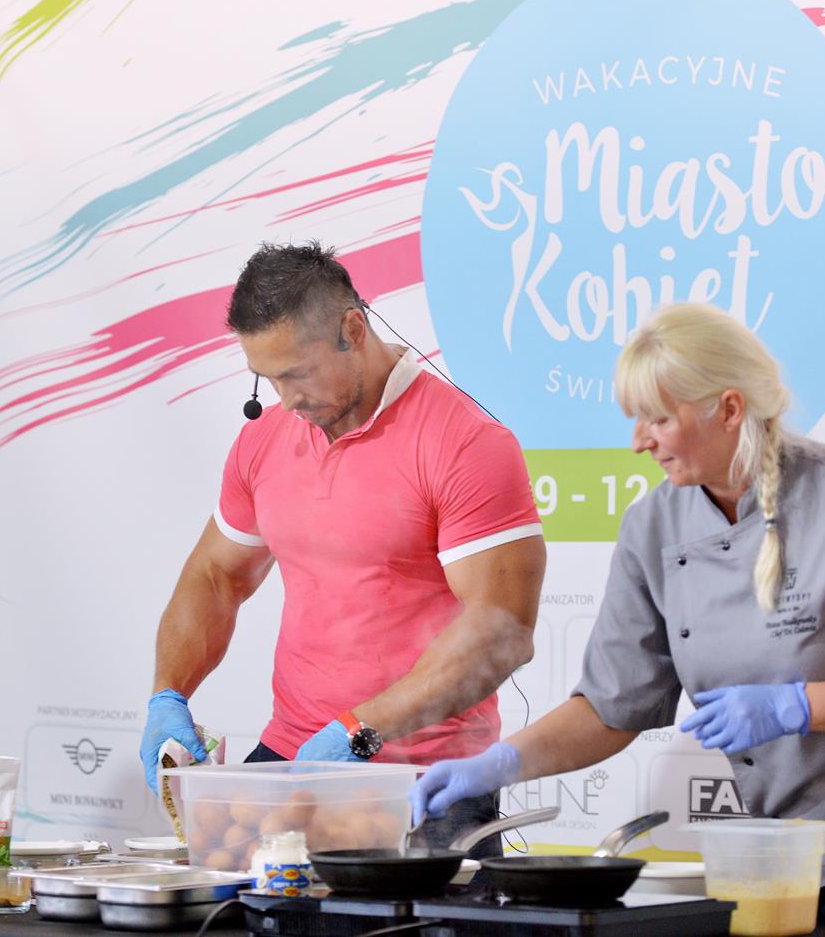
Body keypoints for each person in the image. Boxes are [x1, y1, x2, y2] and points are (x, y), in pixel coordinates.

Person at [410, 303, 825, 933]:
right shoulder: (652, 528)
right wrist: (502, 765)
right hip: (790, 855)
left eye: (658, 419)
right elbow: (611, 708)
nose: (639, 441)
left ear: (728, 409)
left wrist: (797, 706)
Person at [140, 242, 546, 853]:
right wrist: (168, 695)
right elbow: (217, 577)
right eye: (267, 378)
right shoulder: (265, 439)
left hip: (424, 777)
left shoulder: (467, 443)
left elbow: (502, 633)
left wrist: (361, 730)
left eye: (297, 374)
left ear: (352, 330)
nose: (285, 400)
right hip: (294, 757)